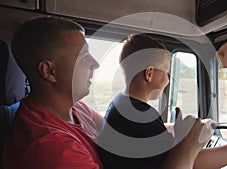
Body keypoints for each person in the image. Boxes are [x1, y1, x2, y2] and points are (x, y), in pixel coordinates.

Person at [2, 16, 209, 169]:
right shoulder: (53, 150)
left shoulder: (75, 110)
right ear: (49, 71)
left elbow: (120, 133)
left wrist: (175, 131)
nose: (96, 64)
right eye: (83, 57)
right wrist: (188, 147)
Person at [99, 34, 227, 169]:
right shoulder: (140, 115)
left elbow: (149, 136)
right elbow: (190, 160)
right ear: (149, 74)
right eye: (165, 72)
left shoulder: (121, 105)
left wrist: (183, 128)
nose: (167, 80)